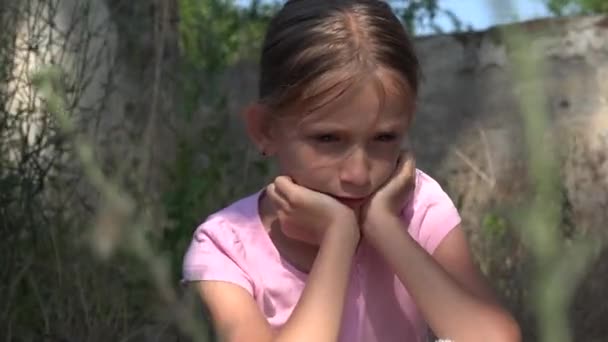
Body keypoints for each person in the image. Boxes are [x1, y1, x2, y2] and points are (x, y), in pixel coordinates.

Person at [182, 1, 521, 341]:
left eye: (384, 137)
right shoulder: (227, 245)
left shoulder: (417, 208)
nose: (358, 175)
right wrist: (338, 239)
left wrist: (386, 227)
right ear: (265, 129)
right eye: (328, 138)